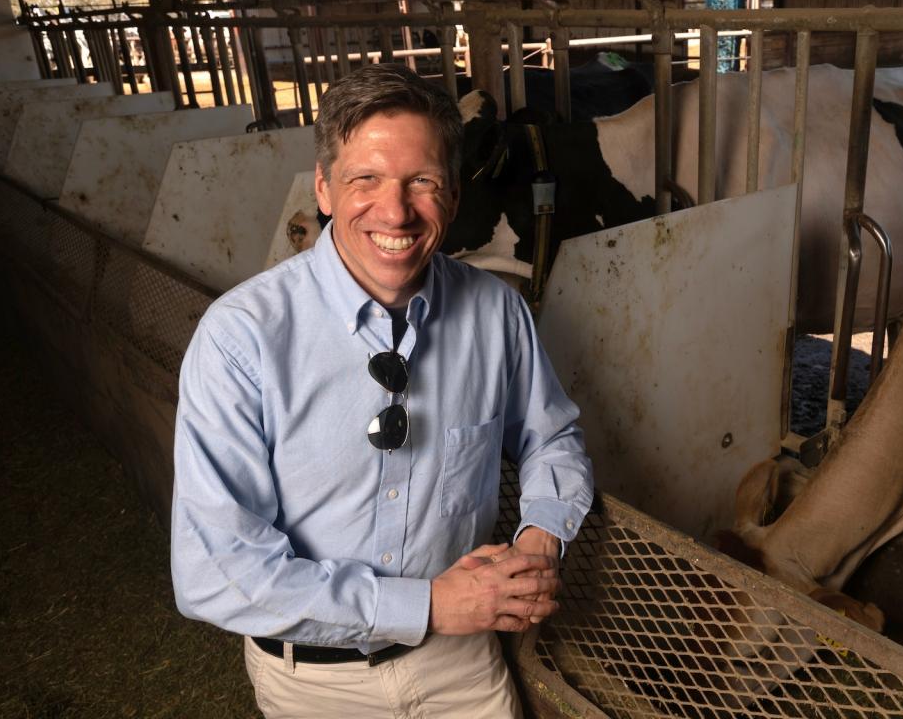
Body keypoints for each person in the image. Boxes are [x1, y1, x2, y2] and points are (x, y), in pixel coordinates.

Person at [170, 63, 594, 717]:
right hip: (316, 684)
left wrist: (542, 530)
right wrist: (428, 606)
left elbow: (552, 437)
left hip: (464, 667)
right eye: (364, 179)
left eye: (421, 181)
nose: (394, 210)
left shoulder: (496, 313)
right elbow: (215, 572)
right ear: (324, 189)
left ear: (452, 194)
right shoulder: (242, 338)